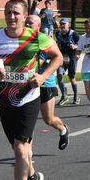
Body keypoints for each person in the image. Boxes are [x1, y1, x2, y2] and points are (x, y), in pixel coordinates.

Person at [0, 0, 62, 180]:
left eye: (16, 13)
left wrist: (42, 76)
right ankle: (33, 176)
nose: (12, 16)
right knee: (19, 150)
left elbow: (58, 58)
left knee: (20, 149)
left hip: (29, 98)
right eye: (8, 12)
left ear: (25, 16)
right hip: (5, 100)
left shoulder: (36, 37)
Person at [24, 15, 70, 151]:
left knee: (48, 120)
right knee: (28, 122)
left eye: (30, 23)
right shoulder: (20, 41)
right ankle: (27, 155)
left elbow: (57, 59)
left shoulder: (45, 41)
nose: (26, 26)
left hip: (45, 84)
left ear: (38, 26)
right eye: (25, 23)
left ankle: (63, 129)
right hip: (28, 85)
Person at [55, 18, 81, 105]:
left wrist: (75, 47)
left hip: (72, 58)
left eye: (64, 24)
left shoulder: (73, 34)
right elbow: (56, 43)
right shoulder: (58, 33)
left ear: (68, 25)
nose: (62, 26)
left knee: (71, 77)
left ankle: (76, 95)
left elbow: (80, 45)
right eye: (61, 24)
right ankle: (64, 96)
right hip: (62, 58)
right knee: (59, 76)